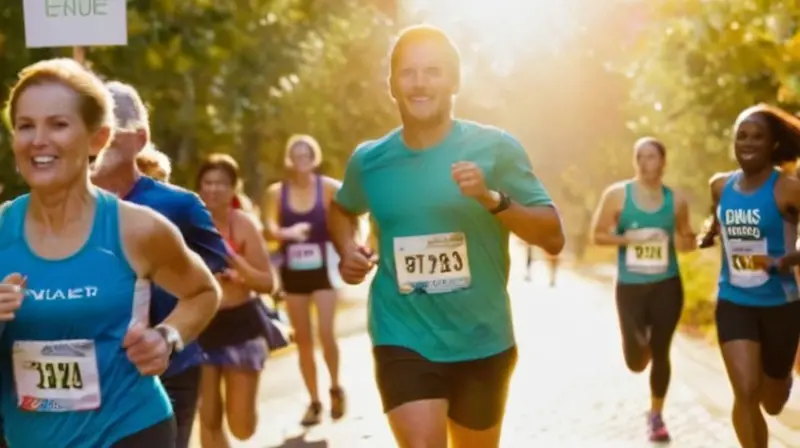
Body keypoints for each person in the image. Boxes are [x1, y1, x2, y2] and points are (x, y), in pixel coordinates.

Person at [327, 25, 564, 448]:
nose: (420, 83)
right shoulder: (370, 160)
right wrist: (348, 248)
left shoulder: (495, 148)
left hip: (481, 337)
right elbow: (342, 208)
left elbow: (552, 236)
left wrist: (491, 199)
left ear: (454, 81)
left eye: (433, 71)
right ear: (392, 85)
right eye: (408, 72)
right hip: (402, 334)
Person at [0, 58, 221, 447]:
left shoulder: (136, 228)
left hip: (130, 428)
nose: (38, 139)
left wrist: (167, 337)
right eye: (25, 126)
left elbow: (202, 292)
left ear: (97, 138)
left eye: (58, 124)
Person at [91, 80, 229, 448]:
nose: (99, 137)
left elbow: (213, 264)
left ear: (139, 138)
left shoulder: (177, 205)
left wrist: (156, 276)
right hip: (95, 370)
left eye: (110, 127)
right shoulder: (65, 209)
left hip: (168, 367)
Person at [699, 104, 800, 448]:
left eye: (758, 135)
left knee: (771, 402)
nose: (748, 141)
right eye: (742, 135)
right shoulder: (719, 186)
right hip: (734, 300)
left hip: (781, 305)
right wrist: (712, 232)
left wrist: (790, 258)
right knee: (744, 390)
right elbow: (720, 222)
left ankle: (782, 380)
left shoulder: (788, 188)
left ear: (773, 144)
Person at [590, 136, 696, 442]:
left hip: (667, 285)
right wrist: (630, 240)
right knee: (635, 361)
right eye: (641, 157)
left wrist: (695, 237)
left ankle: (656, 416)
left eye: (653, 157)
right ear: (635, 162)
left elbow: (686, 243)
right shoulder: (617, 196)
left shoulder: (676, 201)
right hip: (631, 287)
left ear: (663, 161)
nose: (646, 163)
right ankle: (641, 347)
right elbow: (597, 236)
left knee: (662, 351)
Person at [263, 134, 346, 426]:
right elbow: (269, 228)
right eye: (296, 155)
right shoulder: (277, 192)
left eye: (306, 154)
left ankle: (335, 387)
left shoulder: (328, 188)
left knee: (326, 332)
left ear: (314, 158)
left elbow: (353, 209)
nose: (301, 160)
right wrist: (288, 234)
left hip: (323, 270)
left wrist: (352, 246)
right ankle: (314, 401)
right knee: (304, 341)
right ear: (290, 159)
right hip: (293, 273)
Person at [194, 153, 275, 445]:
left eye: (221, 183)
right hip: (202, 325)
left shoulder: (243, 224)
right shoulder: (188, 224)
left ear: (233, 189)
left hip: (242, 324)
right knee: (208, 417)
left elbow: (267, 282)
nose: (214, 189)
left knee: (242, 427)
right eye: (208, 182)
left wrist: (233, 261)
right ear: (199, 187)